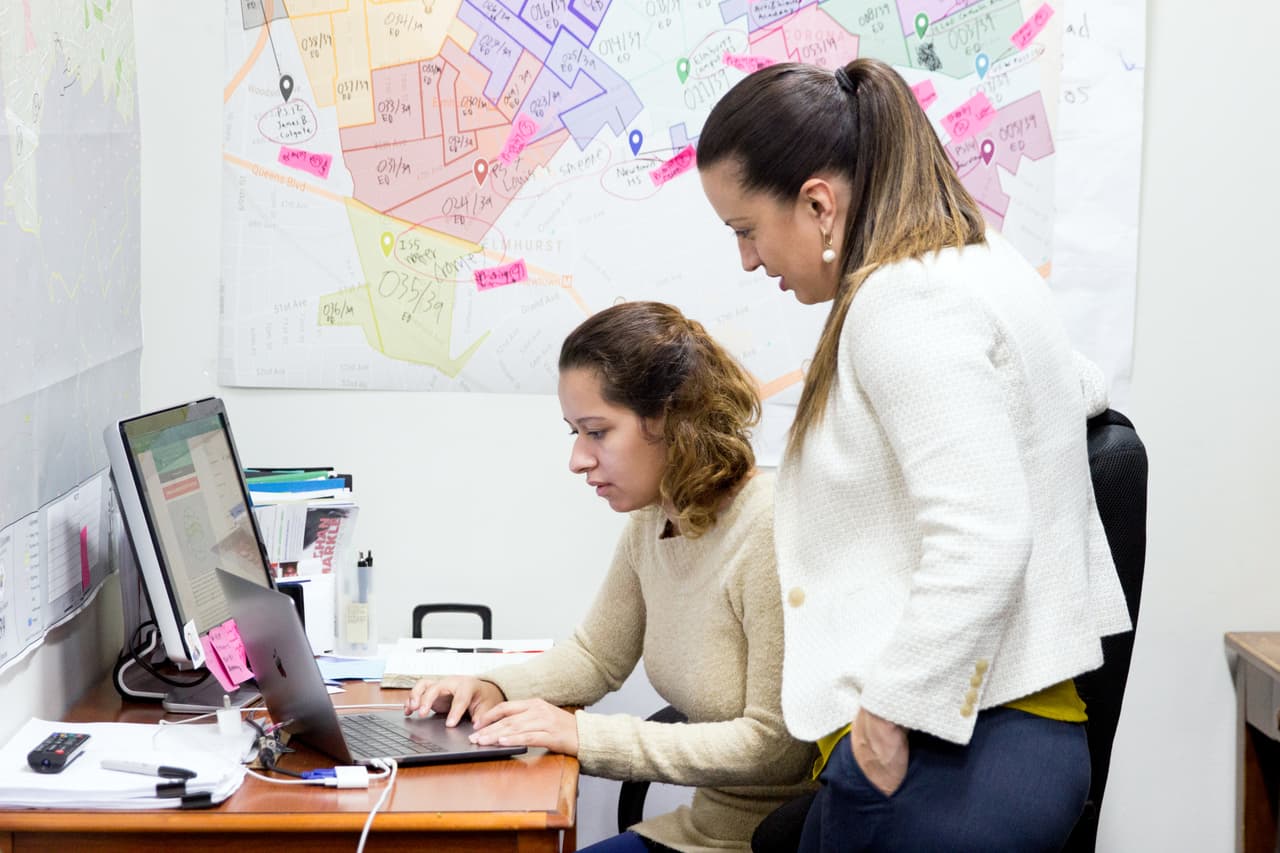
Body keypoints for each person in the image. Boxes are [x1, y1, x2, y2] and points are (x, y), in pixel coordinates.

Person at [695, 58, 1131, 852]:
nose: (748, 260)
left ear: (818, 204)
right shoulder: (981, 261)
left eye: (745, 230)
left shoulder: (903, 304)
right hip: (1006, 736)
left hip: (949, 752)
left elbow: (985, 535)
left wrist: (890, 707)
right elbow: (1074, 384)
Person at [404, 301, 816, 853]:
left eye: (596, 432)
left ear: (672, 420)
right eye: (575, 432)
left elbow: (776, 749)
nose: (577, 459)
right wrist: (493, 687)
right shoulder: (657, 519)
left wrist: (582, 735)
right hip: (703, 834)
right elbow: (596, 656)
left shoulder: (771, 531)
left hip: (765, 844)